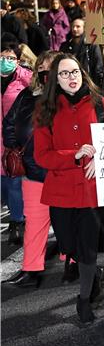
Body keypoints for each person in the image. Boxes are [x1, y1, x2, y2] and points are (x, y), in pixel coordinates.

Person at [33, 53, 104, 324]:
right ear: (55, 80)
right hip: (61, 192)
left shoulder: (103, 104)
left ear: (84, 73)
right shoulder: (45, 111)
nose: (72, 78)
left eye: (75, 72)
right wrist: (74, 154)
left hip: (93, 191)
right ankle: (91, 275)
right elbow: (42, 156)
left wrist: (100, 158)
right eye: (64, 74)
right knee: (70, 246)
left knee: (87, 247)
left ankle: (83, 301)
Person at [2, 51, 58, 287]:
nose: (44, 71)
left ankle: (73, 262)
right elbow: (9, 122)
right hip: (33, 171)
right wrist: (16, 146)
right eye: (41, 67)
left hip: (60, 171)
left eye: (50, 67)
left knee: (68, 220)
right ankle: (30, 269)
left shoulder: (68, 95)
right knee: (34, 222)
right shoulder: (27, 94)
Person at [1, 38, 33, 244]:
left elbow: (38, 91)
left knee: (13, 181)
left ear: (18, 60)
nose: (6, 60)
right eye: (2, 57)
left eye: (11, 57)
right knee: (3, 184)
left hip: (13, 138)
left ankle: (17, 222)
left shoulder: (24, 78)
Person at [60, 18, 104, 86]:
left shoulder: (91, 45)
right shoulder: (65, 46)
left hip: (88, 83)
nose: (74, 29)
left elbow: (98, 67)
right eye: (73, 26)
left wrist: (96, 85)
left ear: (84, 28)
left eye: (78, 26)